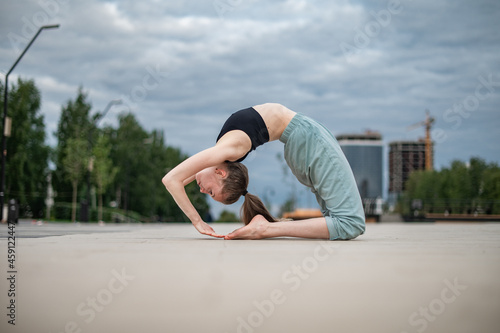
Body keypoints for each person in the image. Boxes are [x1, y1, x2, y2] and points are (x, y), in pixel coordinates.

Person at [162, 103, 365, 240]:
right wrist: (198, 221)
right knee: (349, 222)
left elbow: (173, 180)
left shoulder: (226, 151)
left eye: (210, 192)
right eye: (210, 193)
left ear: (220, 173)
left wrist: (198, 221)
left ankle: (266, 227)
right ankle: (265, 228)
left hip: (302, 139)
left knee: (336, 218)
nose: (202, 191)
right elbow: (173, 180)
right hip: (305, 138)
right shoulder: (225, 154)